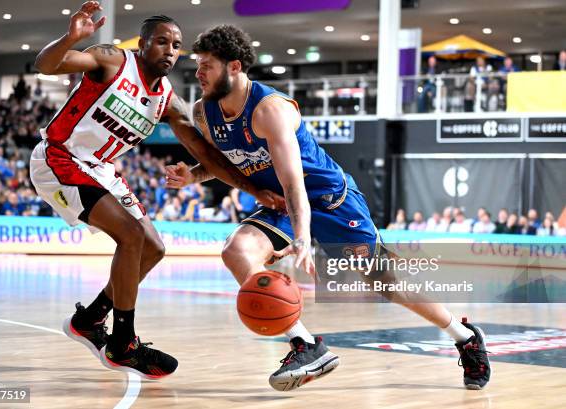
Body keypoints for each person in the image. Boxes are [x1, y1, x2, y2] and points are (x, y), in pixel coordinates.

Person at [166, 25, 490, 391]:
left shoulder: (270, 109)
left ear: (235, 66)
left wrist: (302, 238)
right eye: (198, 65)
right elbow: (228, 163)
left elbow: (294, 182)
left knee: (387, 284)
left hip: (329, 201)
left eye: (206, 65)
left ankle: (464, 337)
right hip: (281, 205)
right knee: (236, 250)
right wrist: (193, 176)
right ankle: (305, 345)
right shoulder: (204, 113)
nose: (198, 73)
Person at [30, 2, 283, 380]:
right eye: (162, 41)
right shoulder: (111, 60)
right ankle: (123, 343)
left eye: (176, 45)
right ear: (143, 44)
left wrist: (252, 189)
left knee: (154, 247)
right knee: (130, 237)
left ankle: (91, 318)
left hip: (100, 169)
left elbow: (205, 154)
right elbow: (45, 65)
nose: (170, 50)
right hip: (59, 157)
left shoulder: (167, 100)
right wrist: (71, 38)